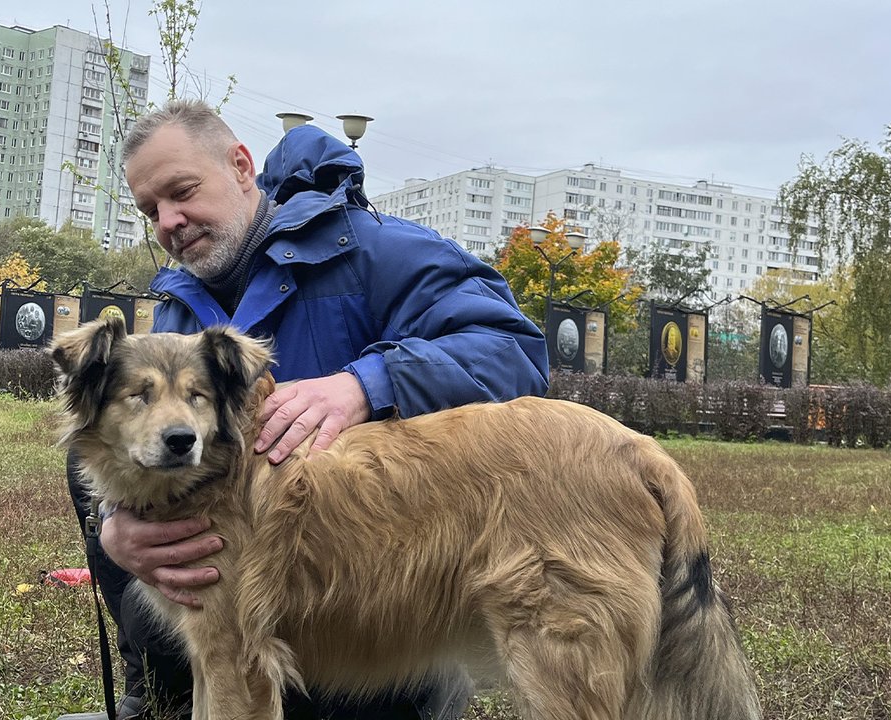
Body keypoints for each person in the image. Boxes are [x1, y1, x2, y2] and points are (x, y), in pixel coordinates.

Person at [60, 98, 549, 720]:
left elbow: (513, 352)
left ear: (242, 166)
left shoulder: (375, 250)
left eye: (182, 191)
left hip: (384, 609)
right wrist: (116, 530)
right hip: (242, 602)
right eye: (149, 210)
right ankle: (158, 696)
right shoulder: (178, 311)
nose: (170, 221)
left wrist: (365, 384)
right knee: (96, 451)